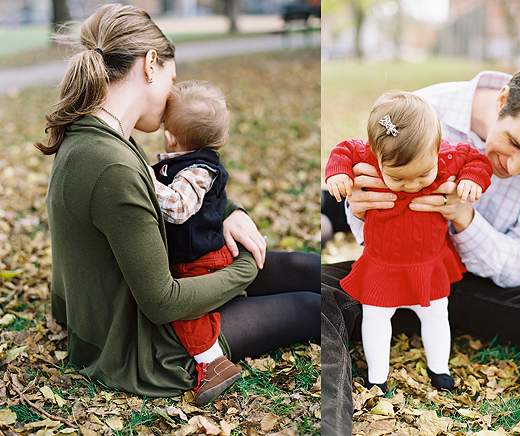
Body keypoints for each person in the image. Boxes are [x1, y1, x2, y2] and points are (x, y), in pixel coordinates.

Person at [321, 56, 520, 436]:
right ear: (502, 98)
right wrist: (357, 209)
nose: (513, 165)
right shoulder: (418, 112)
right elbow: (362, 192)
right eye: (513, 142)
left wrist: (464, 218)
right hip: (398, 277)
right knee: (320, 289)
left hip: (494, 288)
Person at [35, 3, 320, 403]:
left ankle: (399, 290)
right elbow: (162, 301)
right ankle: (403, 312)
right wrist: (243, 272)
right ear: (151, 64)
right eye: (173, 77)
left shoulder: (100, 133)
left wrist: (229, 211)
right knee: (309, 306)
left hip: (139, 301)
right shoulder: (110, 164)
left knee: (298, 266)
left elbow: (154, 200)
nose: (173, 95)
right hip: (145, 347)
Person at [325, 90, 492, 392]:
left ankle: (439, 369)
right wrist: (338, 174)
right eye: (400, 179)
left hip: (428, 262)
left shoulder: (448, 157)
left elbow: (476, 159)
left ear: (438, 151)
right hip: (383, 263)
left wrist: (472, 179)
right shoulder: (369, 155)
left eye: (423, 175)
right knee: (376, 318)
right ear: (377, 157)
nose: (413, 185)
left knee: (436, 315)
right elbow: (343, 151)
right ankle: (377, 375)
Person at [148, 81, 245, 406]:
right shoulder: (180, 163)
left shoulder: (199, 170)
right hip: (196, 254)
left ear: (170, 135)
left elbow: (178, 208)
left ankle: (213, 362)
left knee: (186, 311)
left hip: (201, 257)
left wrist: (143, 180)